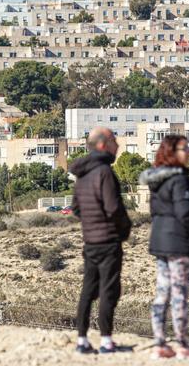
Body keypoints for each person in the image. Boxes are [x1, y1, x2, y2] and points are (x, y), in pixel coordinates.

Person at [139, 135, 189, 359]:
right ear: (172, 152)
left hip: (160, 242)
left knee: (162, 293)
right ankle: (182, 344)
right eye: (184, 148)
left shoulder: (157, 180)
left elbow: (155, 213)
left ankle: (159, 342)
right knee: (179, 294)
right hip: (180, 244)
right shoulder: (180, 180)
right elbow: (185, 214)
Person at [69, 127, 132, 354]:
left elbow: (76, 208)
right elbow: (113, 208)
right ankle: (106, 340)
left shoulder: (82, 174)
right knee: (109, 290)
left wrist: (90, 223)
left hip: (90, 241)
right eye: (115, 141)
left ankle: (82, 340)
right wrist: (125, 229)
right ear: (103, 144)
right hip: (108, 241)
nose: (119, 146)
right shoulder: (104, 172)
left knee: (88, 289)